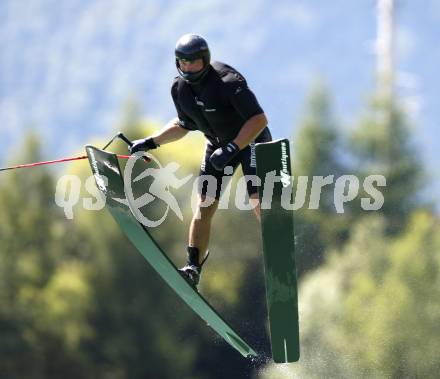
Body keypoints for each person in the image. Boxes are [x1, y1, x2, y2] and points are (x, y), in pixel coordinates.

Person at [129, 33, 272, 288]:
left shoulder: (228, 81)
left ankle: (277, 245)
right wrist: (151, 141)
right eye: (182, 62)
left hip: (250, 141)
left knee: (257, 199)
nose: (187, 67)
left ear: (205, 60)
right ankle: (193, 267)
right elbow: (183, 125)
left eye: (193, 62)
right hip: (217, 147)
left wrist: (232, 147)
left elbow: (259, 119)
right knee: (204, 206)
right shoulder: (180, 88)